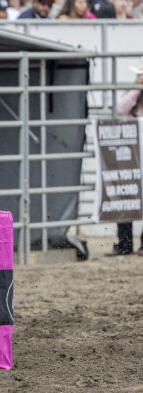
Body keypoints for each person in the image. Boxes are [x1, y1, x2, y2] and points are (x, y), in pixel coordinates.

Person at [106, 58, 143, 257]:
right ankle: (125, 243)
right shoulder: (132, 98)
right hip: (130, 159)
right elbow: (120, 108)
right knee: (125, 196)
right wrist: (137, 89)